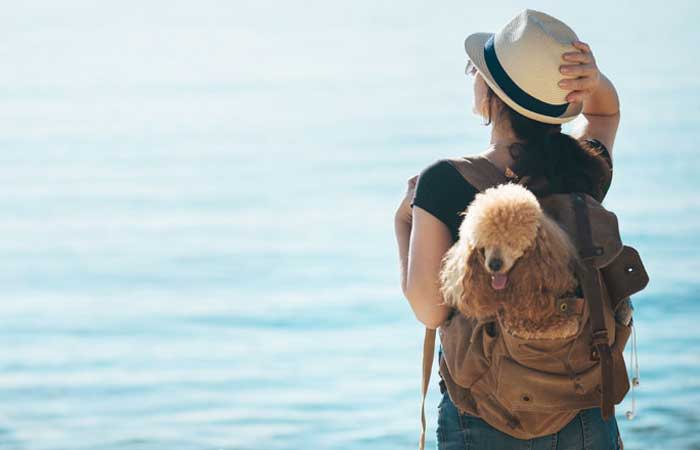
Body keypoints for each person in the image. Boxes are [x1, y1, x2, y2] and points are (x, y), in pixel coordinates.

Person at [394, 9, 624, 450]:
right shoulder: (583, 171)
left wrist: (402, 222)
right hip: (584, 410)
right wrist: (592, 82)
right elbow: (605, 115)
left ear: (491, 95)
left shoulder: (444, 182)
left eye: (476, 72)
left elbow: (430, 309)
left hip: (486, 419)